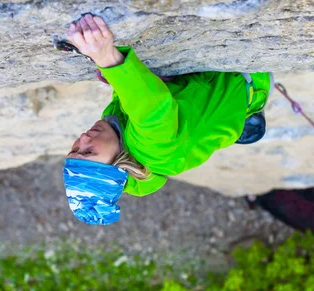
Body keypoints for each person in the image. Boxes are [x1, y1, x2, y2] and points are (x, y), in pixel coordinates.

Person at [63, 13, 272, 225]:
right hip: (242, 80)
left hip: (190, 107)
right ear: (119, 164)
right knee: (207, 119)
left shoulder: (113, 135)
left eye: (74, 150)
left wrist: (122, 81)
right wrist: (105, 56)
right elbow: (151, 111)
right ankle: (249, 108)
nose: (82, 139)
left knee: (196, 125)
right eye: (89, 151)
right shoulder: (154, 152)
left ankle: (240, 122)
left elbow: (133, 103)